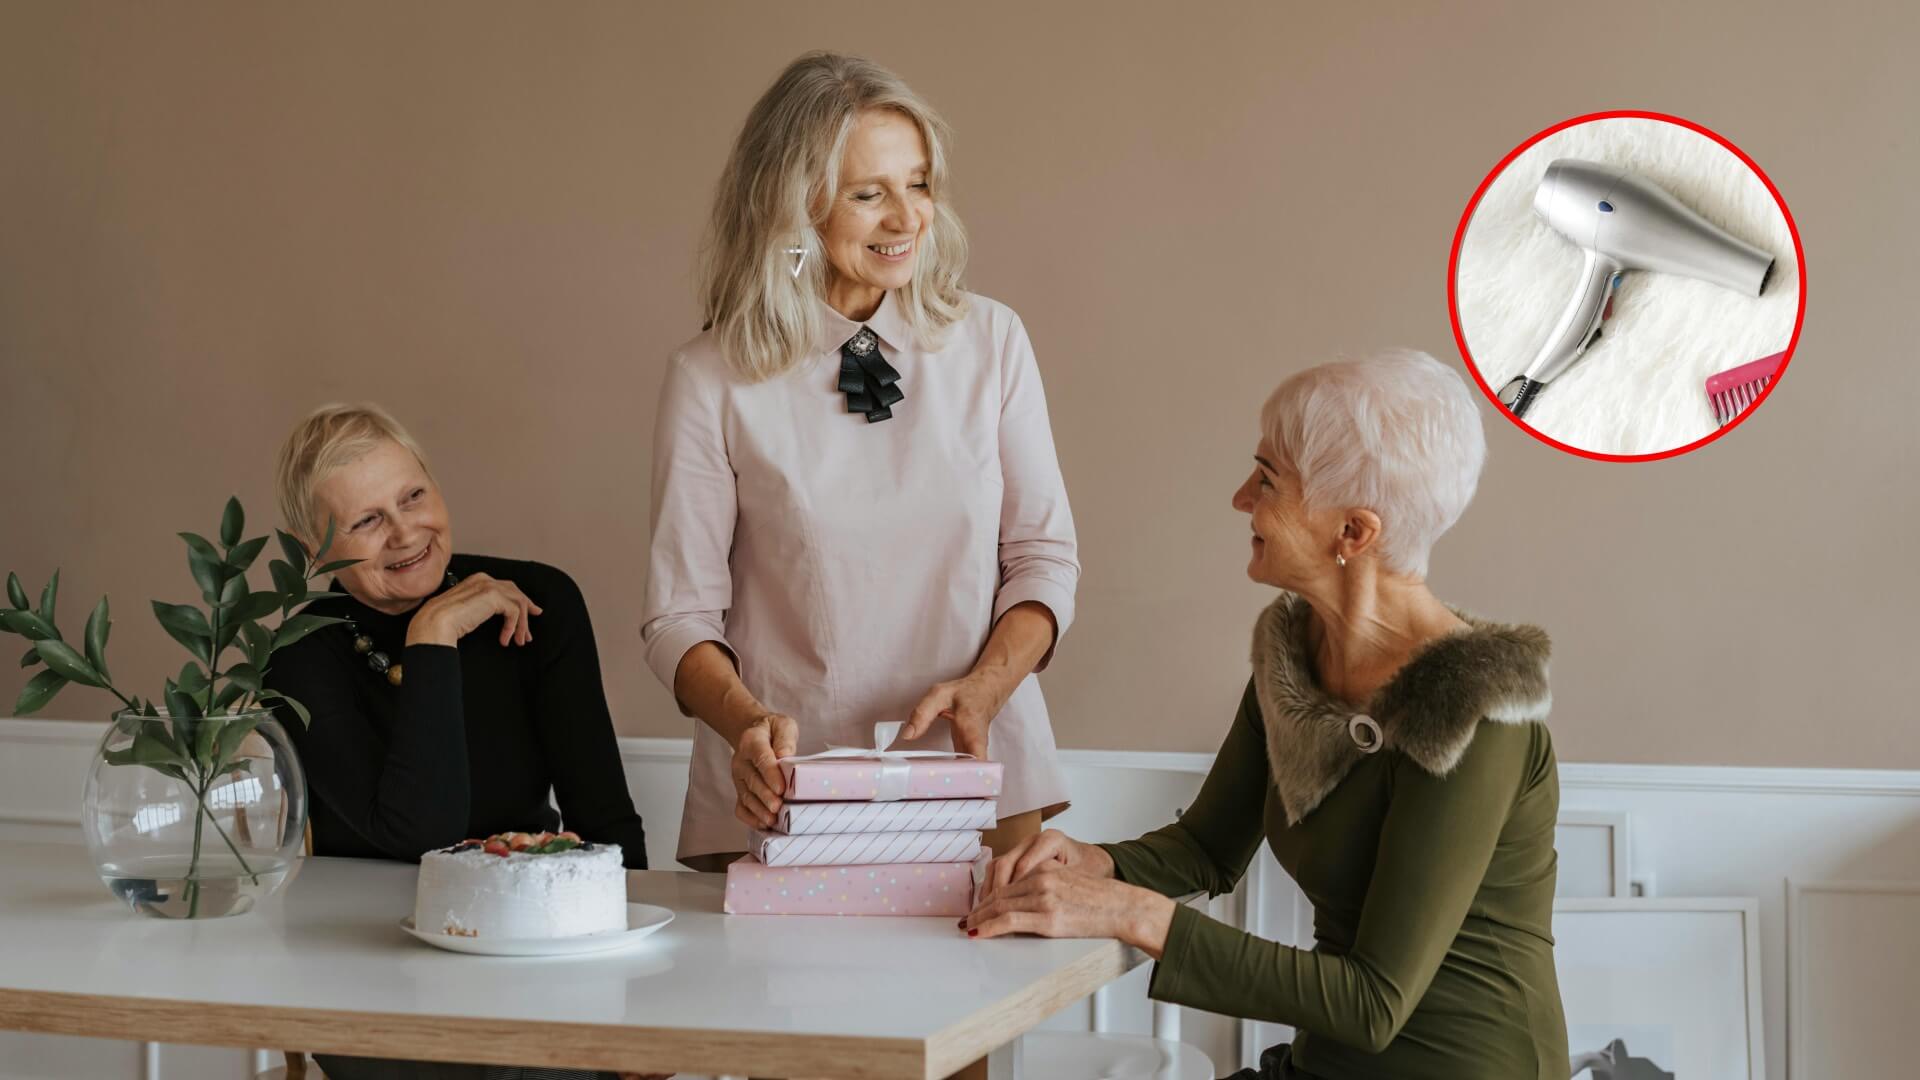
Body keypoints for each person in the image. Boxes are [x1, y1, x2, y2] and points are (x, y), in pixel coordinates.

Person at [964, 351, 1569, 1079]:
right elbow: (1207, 848)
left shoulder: (1473, 712)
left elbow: (1373, 1003)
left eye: (1268, 479)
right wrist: (1098, 863)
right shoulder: (1295, 661)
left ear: (1353, 533)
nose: (1240, 498)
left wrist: (1131, 913)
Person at [643, 52, 1079, 871]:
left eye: (919, 184)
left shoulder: (992, 341)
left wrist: (987, 688)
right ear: (792, 205)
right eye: (868, 193)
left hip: (974, 777)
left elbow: (1043, 559)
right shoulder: (710, 378)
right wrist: (748, 727)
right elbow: (679, 617)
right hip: (785, 792)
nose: (907, 217)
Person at [267, 403, 661, 1080]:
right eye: (367, 521)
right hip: (364, 972)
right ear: (315, 550)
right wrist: (433, 636)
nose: (405, 533)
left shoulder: (539, 600)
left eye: (412, 496)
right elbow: (421, 832)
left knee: (545, 1065)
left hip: (534, 951)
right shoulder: (299, 657)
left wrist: (638, 1004)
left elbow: (605, 818)